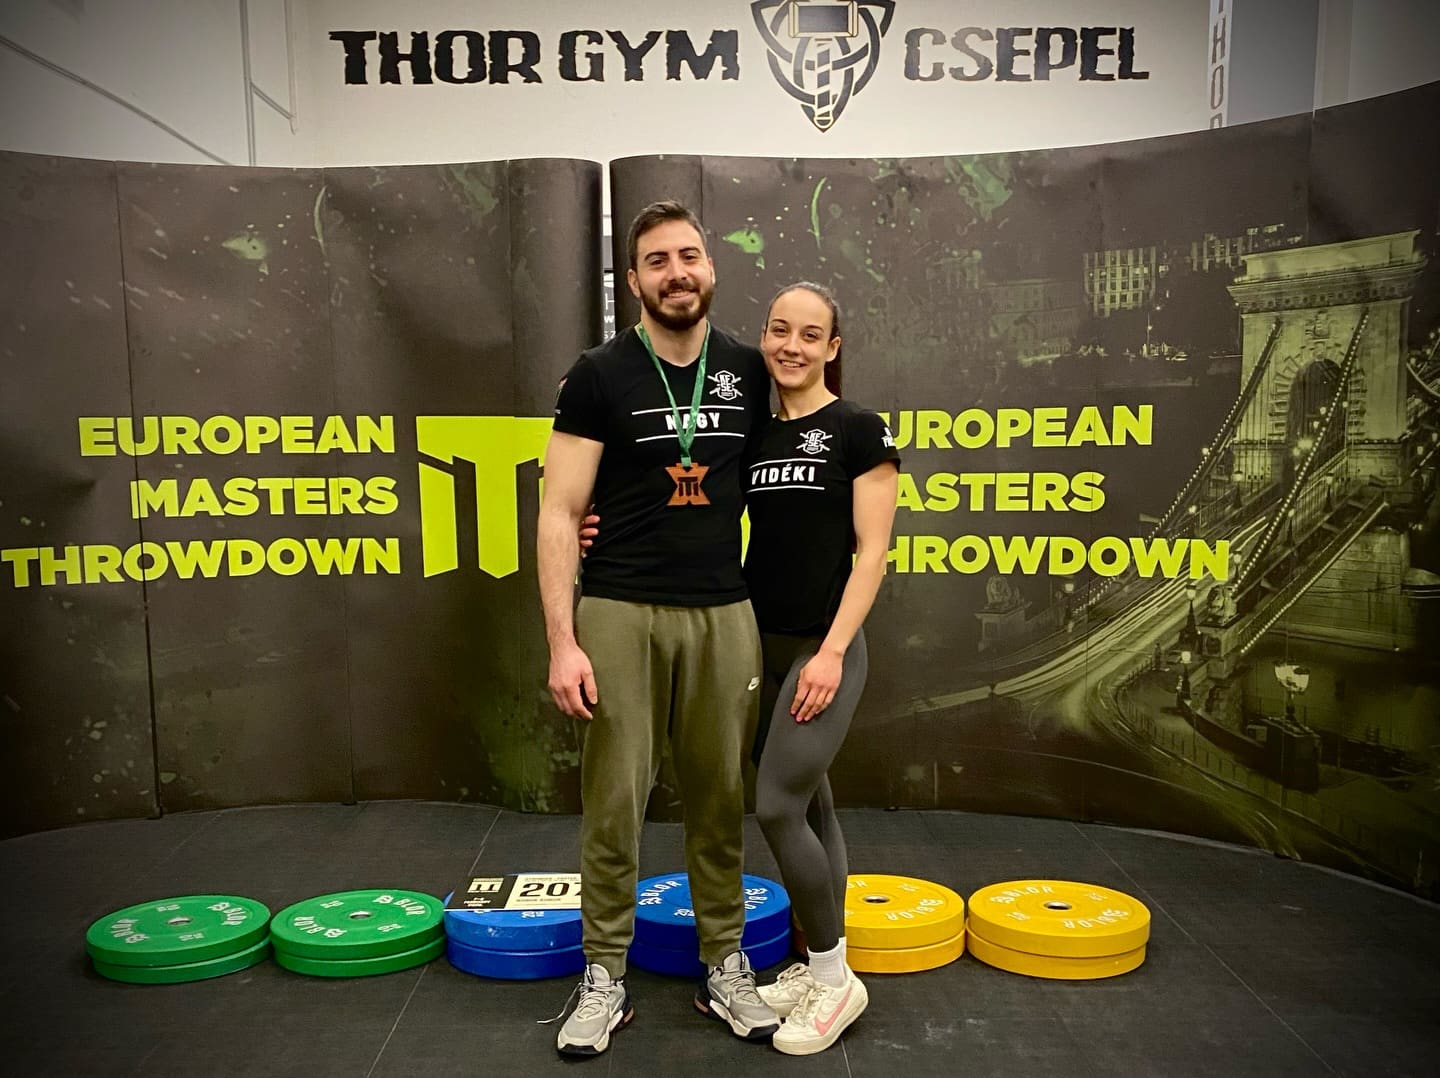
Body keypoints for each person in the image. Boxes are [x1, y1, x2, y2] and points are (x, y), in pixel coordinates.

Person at [582, 282, 900, 1056]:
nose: (792, 345)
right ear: (765, 338)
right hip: (758, 640)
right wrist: (597, 523)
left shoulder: (859, 429)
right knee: (815, 806)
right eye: (779, 330)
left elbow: (872, 555)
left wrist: (831, 652)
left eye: (811, 334)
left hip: (824, 649)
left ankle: (834, 980)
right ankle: (820, 963)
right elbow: (675, 488)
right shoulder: (754, 427)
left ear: (833, 347)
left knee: (778, 806)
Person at [537, 201, 780, 1058]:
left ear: (710, 267)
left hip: (724, 610)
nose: (677, 273)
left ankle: (725, 966)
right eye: (656, 261)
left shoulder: (749, 370)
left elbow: (800, 464)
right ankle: (605, 974)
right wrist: (563, 641)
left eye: (688, 255)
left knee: (719, 800)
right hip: (619, 609)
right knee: (614, 802)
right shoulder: (598, 374)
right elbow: (560, 511)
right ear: (632, 282)